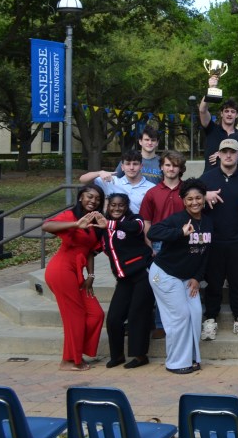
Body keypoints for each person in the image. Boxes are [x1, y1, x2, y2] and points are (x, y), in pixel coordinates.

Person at [147, 179, 213, 374]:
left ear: (203, 198)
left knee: (195, 313)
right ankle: (176, 362)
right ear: (183, 201)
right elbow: (153, 232)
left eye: (198, 198)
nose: (195, 202)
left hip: (187, 277)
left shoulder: (208, 221)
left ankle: (191, 357)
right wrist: (180, 232)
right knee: (180, 316)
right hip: (164, 274)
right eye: (190, 199)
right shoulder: (177, 219)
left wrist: (197, 277)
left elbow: (205, 252)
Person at [42, 184, 106, 371]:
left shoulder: (96, 222)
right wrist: (76, 224)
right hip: (61, 270)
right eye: (89, 196)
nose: (92, 201)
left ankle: (78, 351)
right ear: (80, 197)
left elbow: (90, 252)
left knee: (95, 314)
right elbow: (46, 225)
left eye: (97, 199)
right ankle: (69, 360)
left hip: (78, 273)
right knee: (74, 316)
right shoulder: (71, 216)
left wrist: (91, 275)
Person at [200, 139, 238, 340]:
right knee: (213, 282)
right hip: (213, 239)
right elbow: (192, 203)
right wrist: (203, 195)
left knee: (237, 281)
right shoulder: (206, 179)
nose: (228, 155)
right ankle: (210, 319)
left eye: (232, 152)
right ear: (219, 154)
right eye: (224, 151)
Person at [99, 194, 154, 369]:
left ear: (126, 206)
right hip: (123, 279)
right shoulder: (103, 226)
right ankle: (117, 355)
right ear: (108, 206)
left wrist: (110, 224)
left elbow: (136, 228)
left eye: (121, 205)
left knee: (137, 315)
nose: (116, 208)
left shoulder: (133, 219)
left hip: (141, 275)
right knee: (114, 318)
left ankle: (140, 356)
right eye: (113, 205)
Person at [80, 150, 154, 215]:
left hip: (138, 227)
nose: (131, 167)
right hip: (113, 227)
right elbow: (83, 180)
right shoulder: (111, 181)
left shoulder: (151, 188)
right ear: (122, 167)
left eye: (135, 164)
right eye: (128, 164)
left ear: (141, 166)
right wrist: (100, 173)